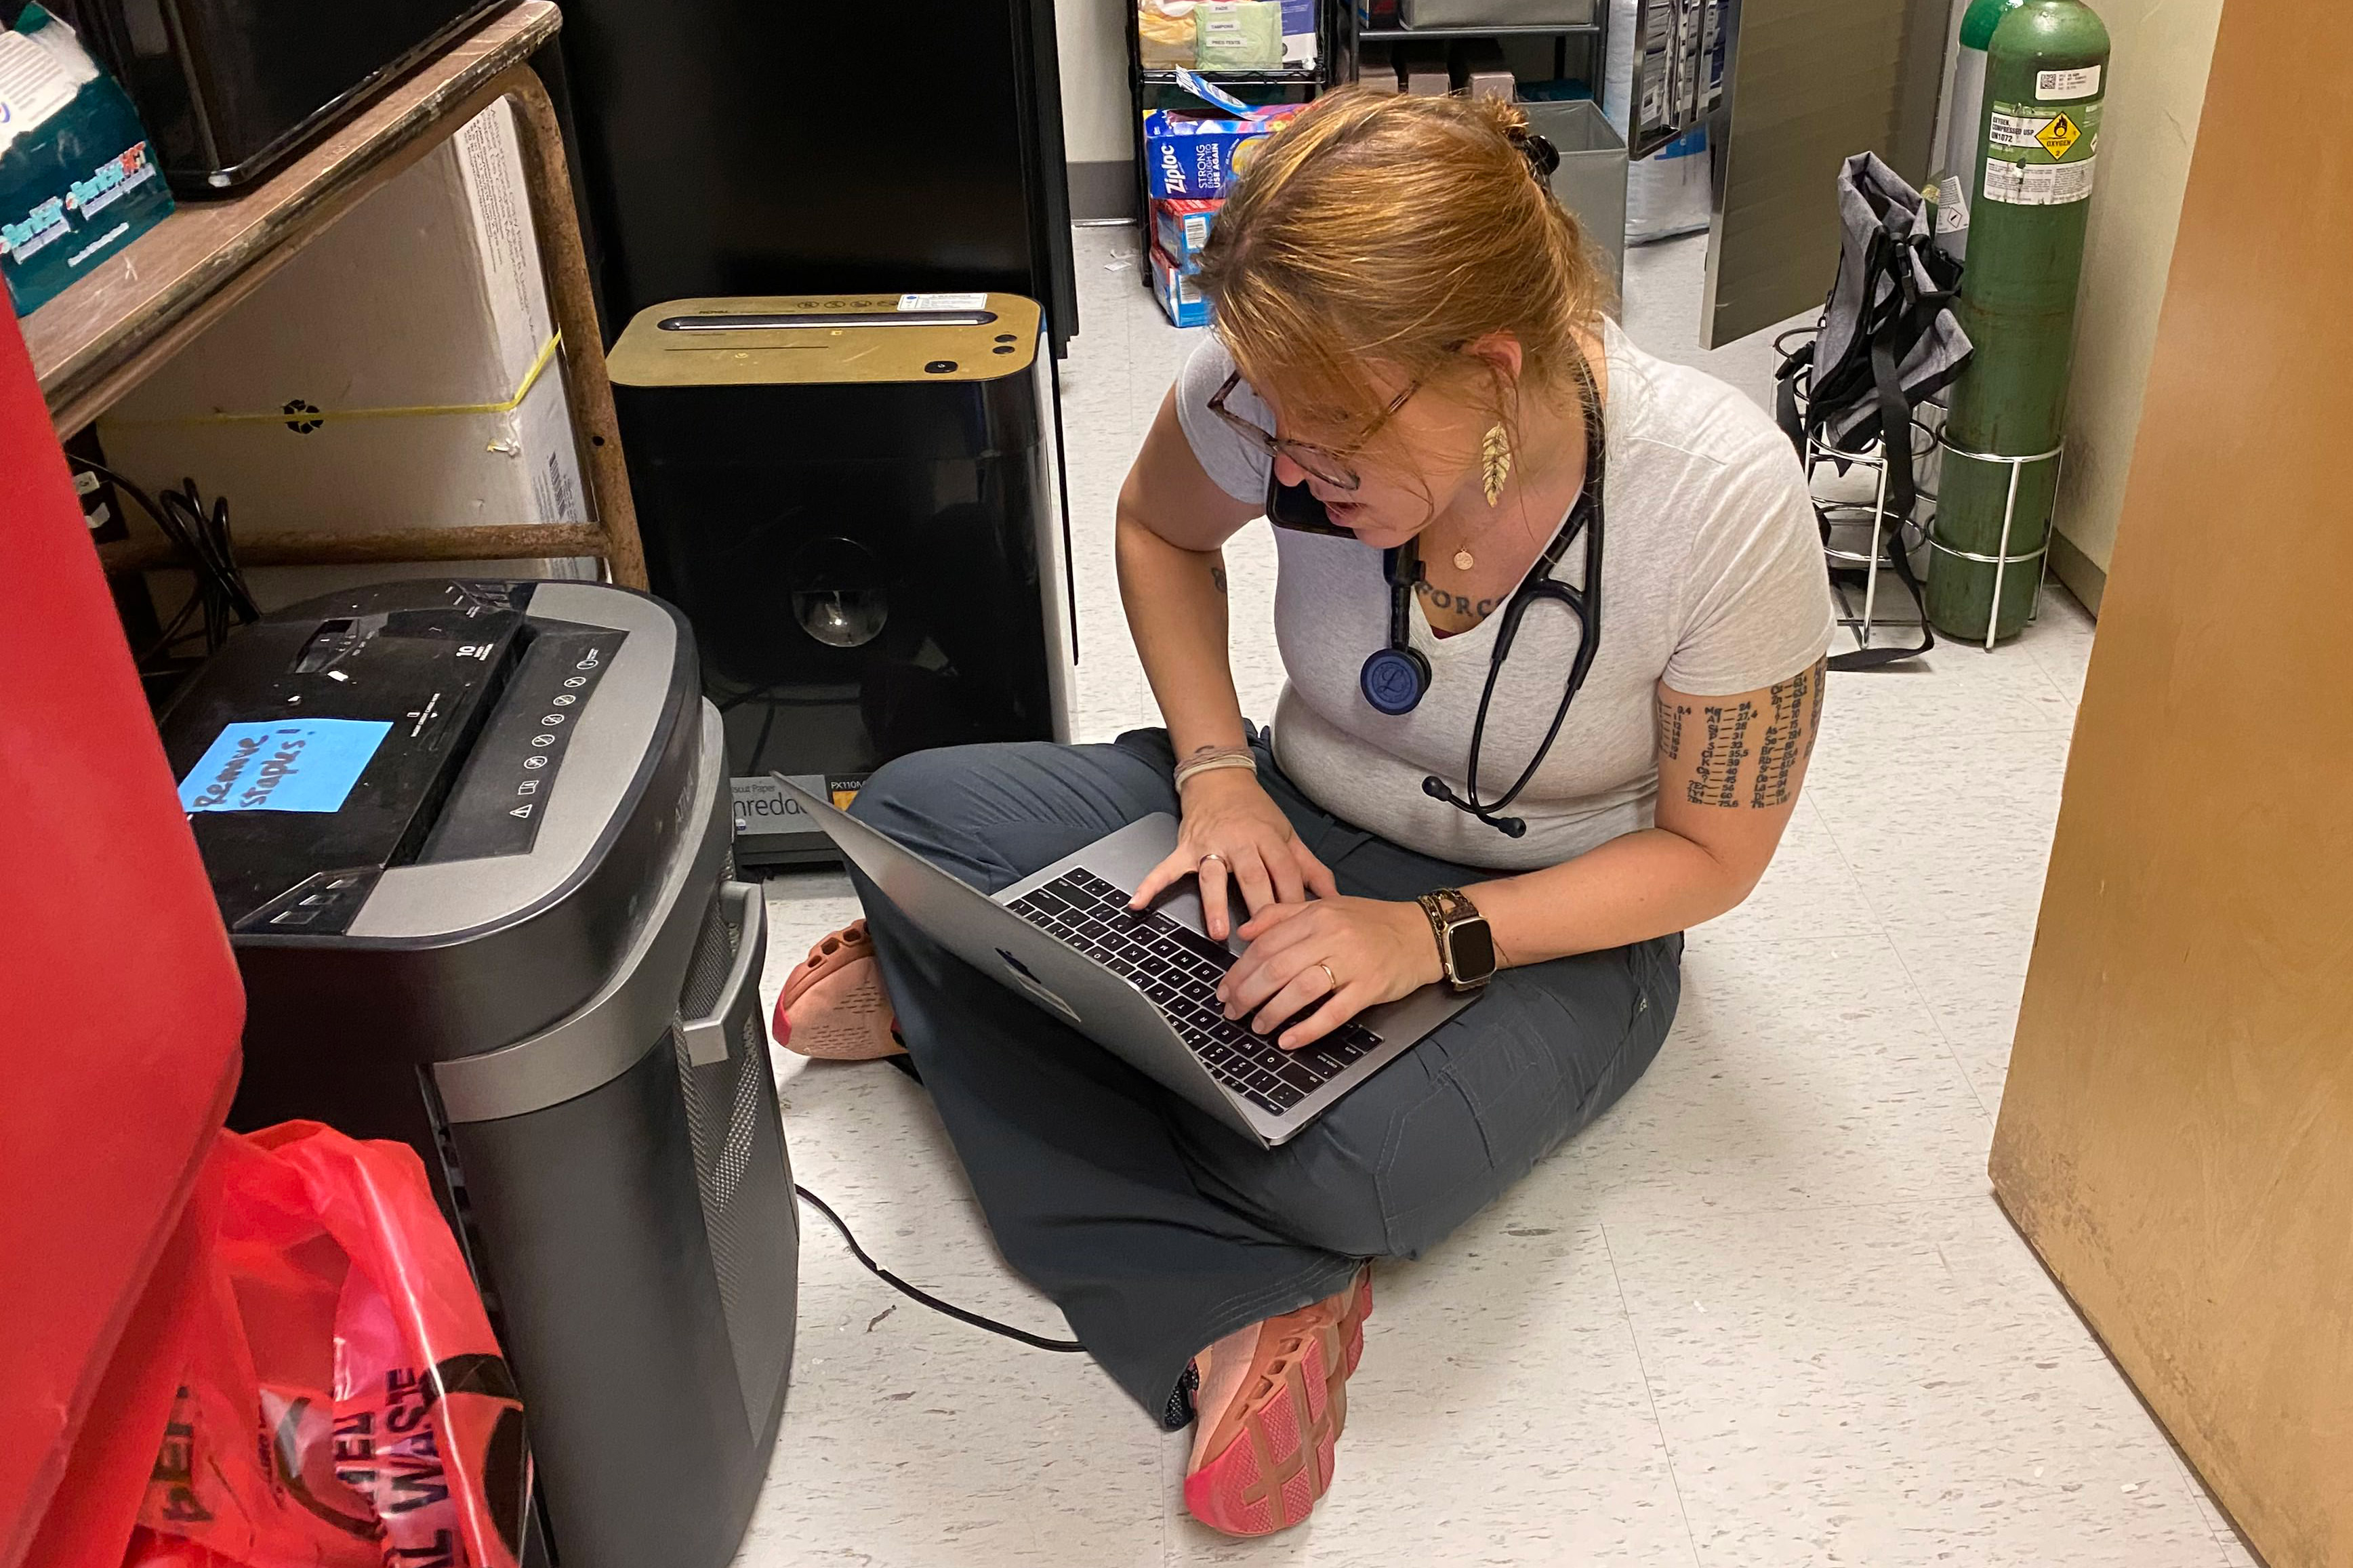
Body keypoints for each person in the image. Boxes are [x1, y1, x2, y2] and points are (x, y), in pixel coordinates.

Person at [776, 87, 1835, 1536]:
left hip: (1550, 925)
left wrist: (1426, 935)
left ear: (1489, 368)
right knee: (915, 819)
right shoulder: (1269, 381)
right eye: (1268, 423)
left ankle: (993, 1016)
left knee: (1355, 1170)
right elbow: (1155, 527)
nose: (1278, 471)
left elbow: (1713, 856)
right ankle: (1010, 1000)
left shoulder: (1717, 496)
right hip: (1279, 813)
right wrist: (1213, 773)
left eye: (1327, 445)